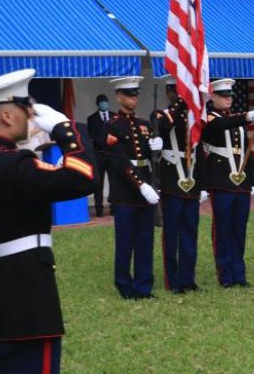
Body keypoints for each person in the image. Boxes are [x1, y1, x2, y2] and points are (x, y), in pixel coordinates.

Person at [0, 69, 97, 374]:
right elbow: (84, 177)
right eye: (26, 110)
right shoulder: (17, 167)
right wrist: (64, 129)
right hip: (27, 310)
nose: (31, 118)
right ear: (9, 116)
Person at [202, 78, 254, 288]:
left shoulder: (236, 122)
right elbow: (221, 125)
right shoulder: (210, 118)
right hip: (221, 181)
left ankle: (239, 273)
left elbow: (245, 153)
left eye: (230, 96)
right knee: (222, 229)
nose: (228, 99)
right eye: (223, 96)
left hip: (241, 184)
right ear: (213, 97)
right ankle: (225, 274)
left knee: (239, 229)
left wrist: (253, 180)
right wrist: (248, 116)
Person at [106, 76, 163, 300]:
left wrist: (156, 149)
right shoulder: (112, 126)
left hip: (146, 187)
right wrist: (141, 185)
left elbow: (149, 159)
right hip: (125, 192)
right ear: (118, 97)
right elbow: (119, 161)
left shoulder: (145, 125)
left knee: (145, 240)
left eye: (136, 93)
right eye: (129, 94)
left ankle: (143, 285)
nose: (134, 98)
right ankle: (124, 285)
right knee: (126, 241)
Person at [154, 77, 207, 294]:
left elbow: (200, 149)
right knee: (172, 232)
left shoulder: (193, 116)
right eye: (177, 91)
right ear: (169, 92)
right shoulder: (162, 113)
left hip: (191, 180)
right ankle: (172, 280)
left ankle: (188, 278)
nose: (181, 95)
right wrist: (178, 104)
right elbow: (164, 126)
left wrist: (202, 184)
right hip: (171, 182)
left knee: (190, 232)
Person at [87, 94, 112, 217]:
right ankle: (99, 208)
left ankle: (114, 207)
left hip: (113, 154)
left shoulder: (114, 116)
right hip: (99, 154)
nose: (104, 104)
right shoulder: (91, 119)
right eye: (102, 102)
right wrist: (105, 142)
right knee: (99, 183)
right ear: (97, 104)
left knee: (114, 182)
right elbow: (92, 136)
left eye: (106, 102)